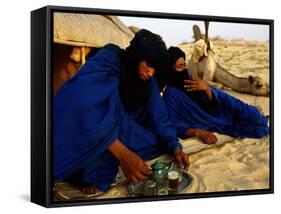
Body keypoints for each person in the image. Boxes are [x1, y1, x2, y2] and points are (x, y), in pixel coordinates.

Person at [53, 30, 189, 194]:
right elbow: (79, 103)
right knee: (90, 163)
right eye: (149, 65)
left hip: (125, 128)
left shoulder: (148, 80)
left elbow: (159, 114)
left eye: (155, 69)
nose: (151, 73)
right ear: (137, 56)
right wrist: (123, 154)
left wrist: (175, 146)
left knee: (158, 143)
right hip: (95, 126)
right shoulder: (108, 61)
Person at [162, 46, 269, 145]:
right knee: (258, 129)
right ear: (171, 69)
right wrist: (197, 132)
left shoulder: (189, 81)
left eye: (185, 64)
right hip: (212, 122)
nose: (185, 69)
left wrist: (206, 89)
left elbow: (213, 101)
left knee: (256, 118)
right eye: (180, 66)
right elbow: (172, 125)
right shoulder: (170, 94)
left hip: (222, 110)